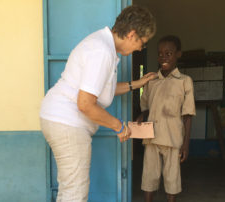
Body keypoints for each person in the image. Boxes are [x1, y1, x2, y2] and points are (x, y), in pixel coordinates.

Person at [39, 5, 157, 202]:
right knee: (74, 193)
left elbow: (102, 89)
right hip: (67, 123)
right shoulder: (102, 51)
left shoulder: (103, 45)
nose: (140, 48)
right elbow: (85, 104)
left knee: (71, 190)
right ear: (131, 34)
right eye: (142, 43)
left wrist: (137, 84)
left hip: (61, 120)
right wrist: (119, 127)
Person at [137, 35, 196, 202]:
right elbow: (146, 107)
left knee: (172, 178)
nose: (163, 57)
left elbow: (188, 115)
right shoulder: (151, 81)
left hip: (173, 137)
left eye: (168, 53)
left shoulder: (184, 81)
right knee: (149, 176)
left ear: (178, 54)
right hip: (152, 137)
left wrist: (186, 144)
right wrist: (142, 115)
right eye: (160, 54)